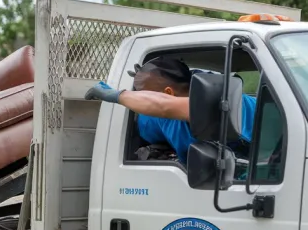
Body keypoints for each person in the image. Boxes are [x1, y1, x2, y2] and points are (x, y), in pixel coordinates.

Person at [85, 57, 257, 165]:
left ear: (168, 93)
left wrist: (115, 95)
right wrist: (144, 78)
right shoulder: (163, 120)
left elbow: (163, 105)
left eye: (145, 94)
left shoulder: (222, 103)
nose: (141, 98)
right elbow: (149, 117)